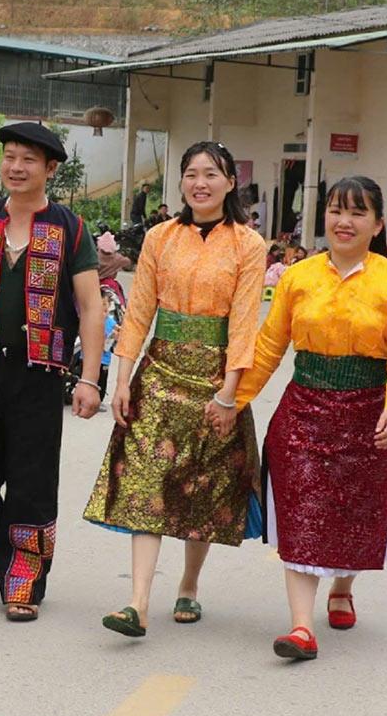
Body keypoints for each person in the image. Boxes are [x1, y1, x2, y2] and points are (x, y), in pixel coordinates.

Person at [235, 176, 387, 662]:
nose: (345, 222)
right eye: (337, 211)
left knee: (355, 513)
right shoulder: (299, 278)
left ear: (378, 224)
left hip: (368, 415)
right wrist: (232, 400)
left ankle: (343, 586)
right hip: (303, 412)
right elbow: (267, 348)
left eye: (358, 213)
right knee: (301, 515)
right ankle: (301, 627)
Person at [84, 141, 266, 638]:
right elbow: (139, 311)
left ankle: (188, 583)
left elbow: (245, 325)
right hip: (159, 372)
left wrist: (230, 394)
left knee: (201, 487)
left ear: (230, 182)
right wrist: (121, 380)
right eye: (191, 173)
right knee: (146, 483)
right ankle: (137, 603)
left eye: (211, 173)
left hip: (215, 379)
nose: (200, 182)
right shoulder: (160, 237)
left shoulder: (248, 245)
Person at [0, 121, 106, 622]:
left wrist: (89, 378)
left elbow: (91, 307)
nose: (15, 167)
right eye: (10, 156)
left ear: (49, 169)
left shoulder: (70, 229)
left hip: (38, 376)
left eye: (28, 159)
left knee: (30, 481)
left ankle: (23, 580)